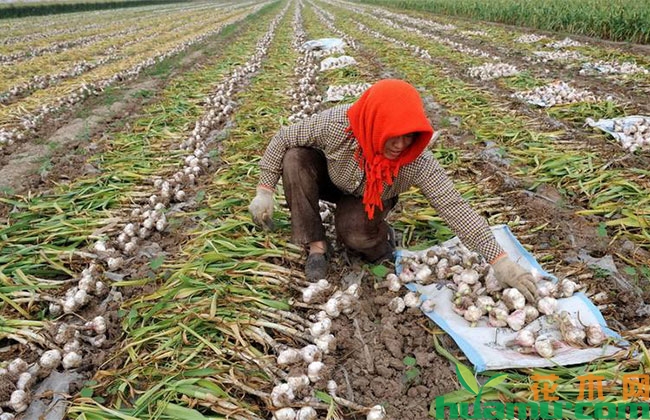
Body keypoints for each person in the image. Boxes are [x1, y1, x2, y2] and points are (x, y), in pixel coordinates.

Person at [249, 79, 538, 302]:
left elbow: (455, 207)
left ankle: (380, 236)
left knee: (355, 235)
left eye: (408, 136)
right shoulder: (338, 124)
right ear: (375, 123)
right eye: (393, 135)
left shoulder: (417, 162)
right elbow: (283, 138)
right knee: (295, 158)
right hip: (331, 177)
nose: (401, 145)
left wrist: (500, 261)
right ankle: (316, 247)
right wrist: (265, 189)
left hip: (371, 196)